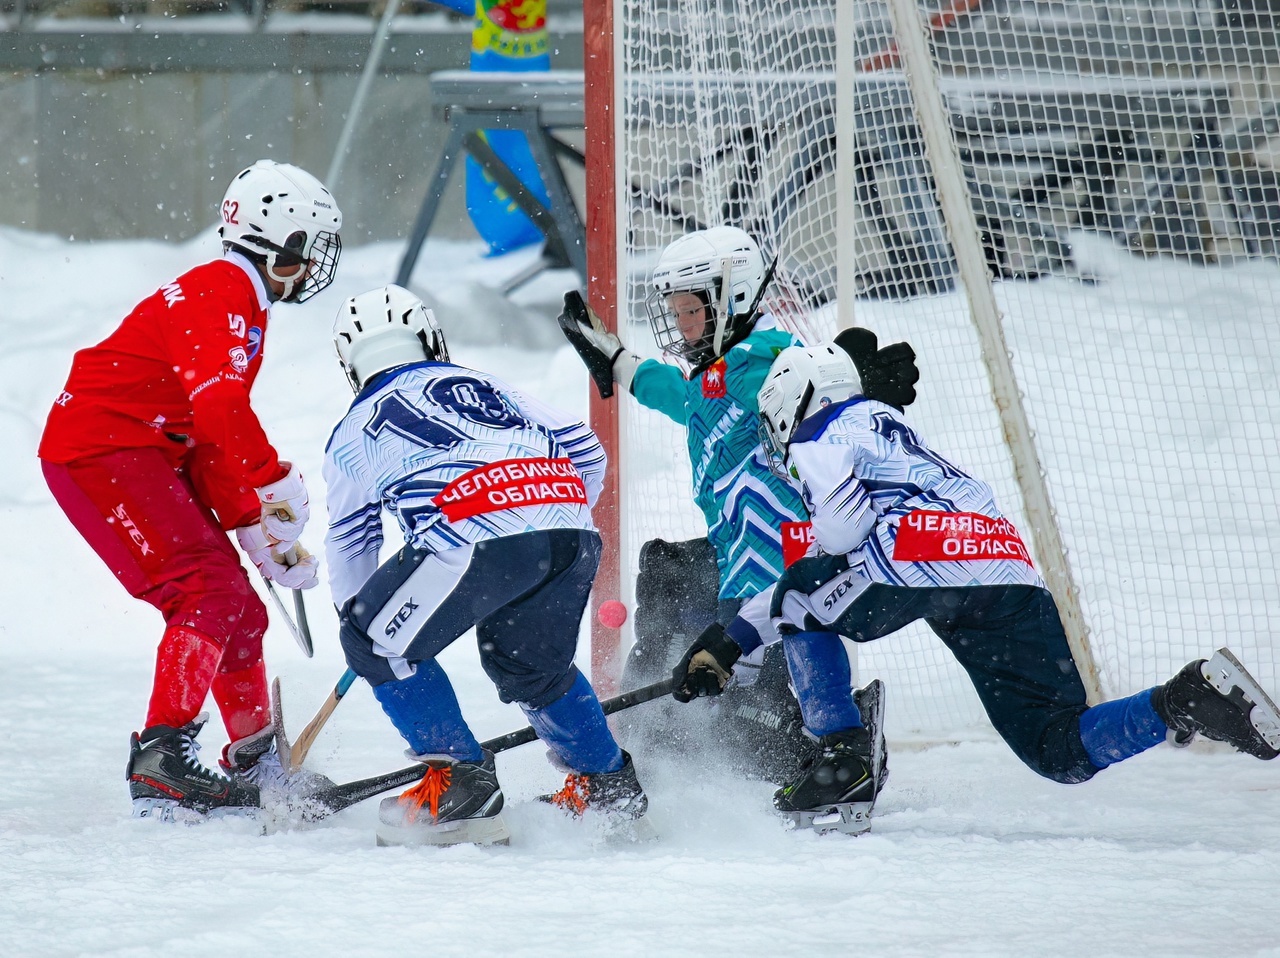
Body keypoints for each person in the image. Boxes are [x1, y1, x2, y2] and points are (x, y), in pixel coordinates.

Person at [680, 341, 1280, 835]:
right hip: (999, 563)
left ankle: (843, 756)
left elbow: (839, 531)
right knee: (1058, 748)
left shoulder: (819, 433)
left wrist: (740, 635)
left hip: (914, 554)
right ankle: (1186, 699)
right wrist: (726, 645)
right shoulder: (884, 427)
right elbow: (825, 562)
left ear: (794, 400)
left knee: (798, 595)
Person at [38, 159, 342, 822]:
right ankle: (162, 758)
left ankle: (256, 759)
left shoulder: (238, 299)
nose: (316, 263)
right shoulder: (222, 293)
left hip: (140, 448)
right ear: (279, 241)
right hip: (102, 449)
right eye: (310, 248)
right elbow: (219, 413)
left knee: (239, 605)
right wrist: (272, 480)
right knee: (205, 590)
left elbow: (204, 437)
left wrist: (253, 529)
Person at [558, 226, 918, 781]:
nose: (679, 325)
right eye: (673, 312)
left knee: (754, 740)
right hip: (737, 572)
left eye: (689, 311)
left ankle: (846, 736)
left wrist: (854, 385)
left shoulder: (771, 365)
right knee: (690, 711)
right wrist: (620, 364)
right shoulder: (717, 378)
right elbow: (681, 395)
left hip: (778, 573)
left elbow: (819, 394)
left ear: (733, 299)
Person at [324, 284, 650, 847]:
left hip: (475, 532)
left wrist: (368, 638)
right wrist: (554, 512)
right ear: (428, 337)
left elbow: (352, 543)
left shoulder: (351, 432)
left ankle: (462, 785)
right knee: (529, 668)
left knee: (374, 640)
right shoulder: (483, 381)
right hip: (569, 528)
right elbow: (583, 447)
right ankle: (608, 788)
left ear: (352, 366)